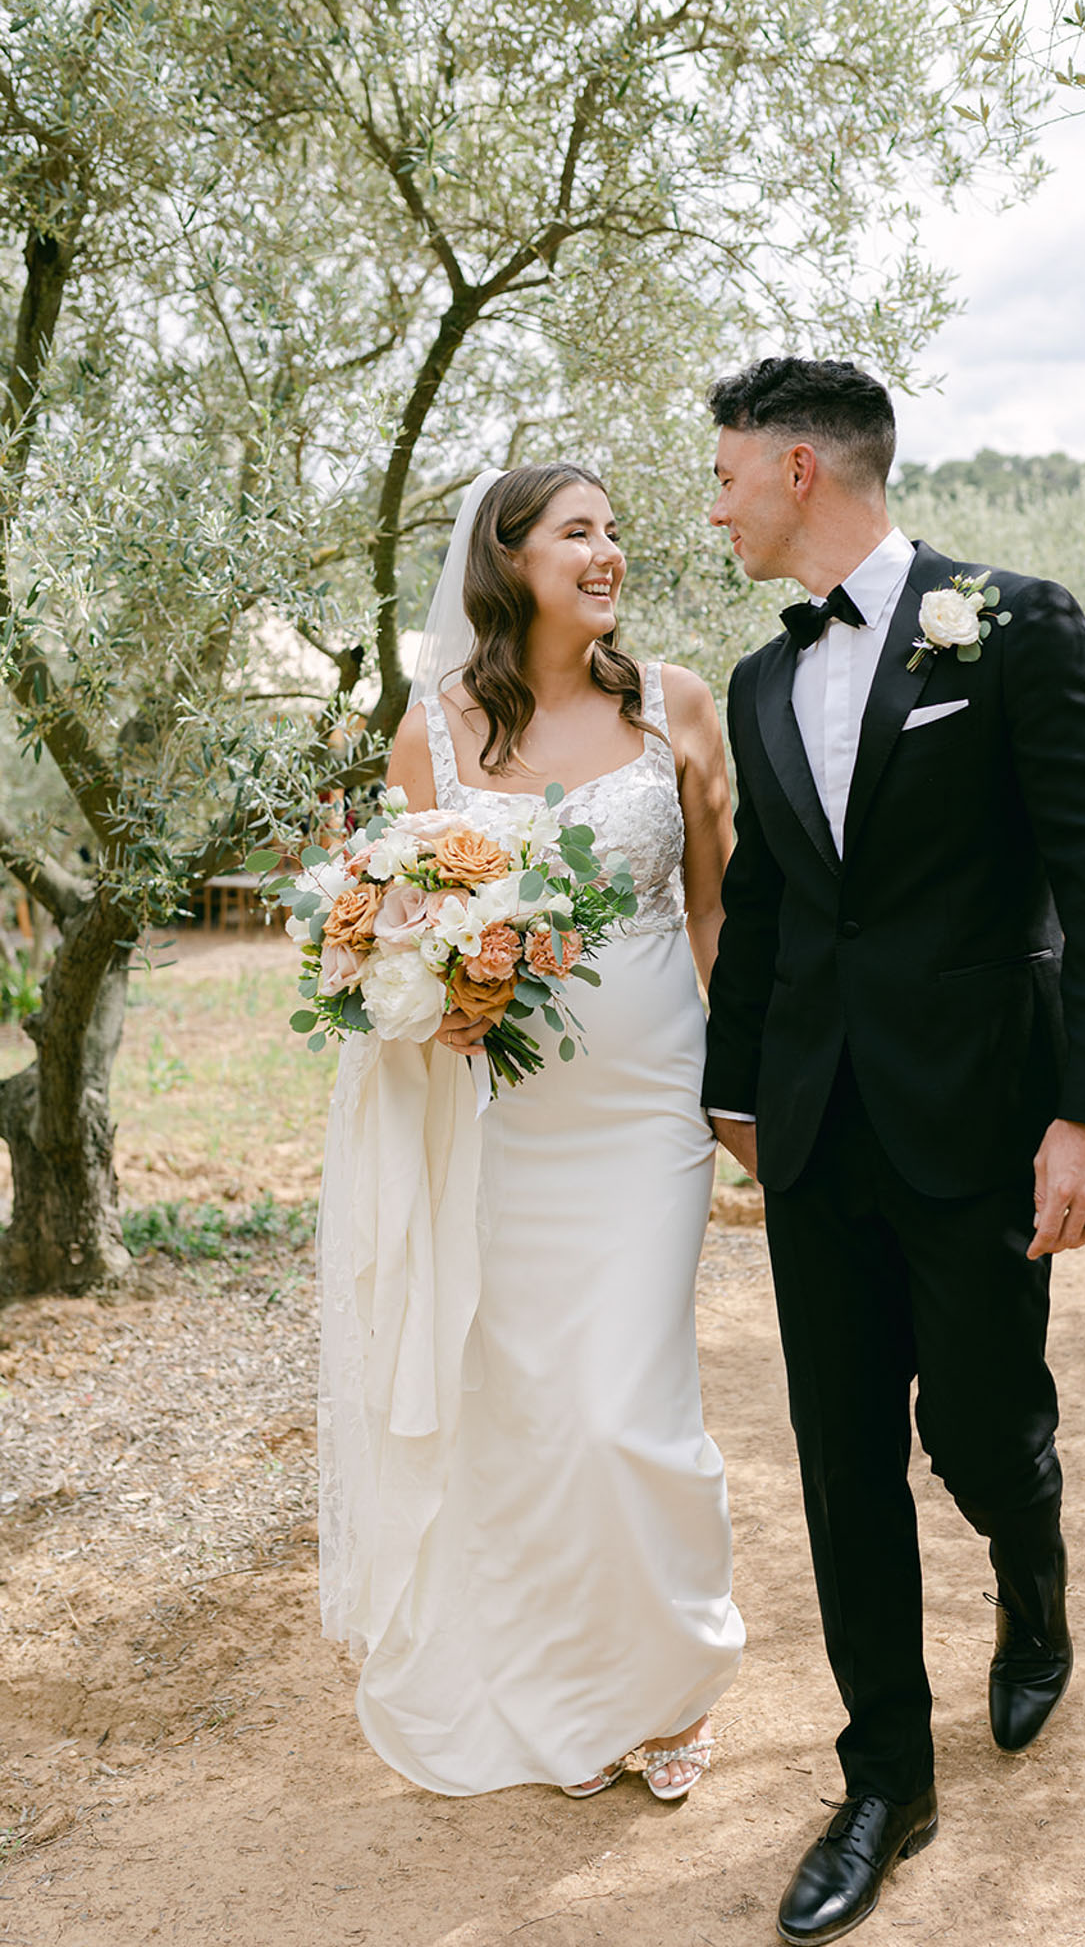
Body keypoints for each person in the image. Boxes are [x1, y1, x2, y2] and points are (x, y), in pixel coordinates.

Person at [700, 357, 1085, 1945]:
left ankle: (1032, 1591)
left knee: (972, 1428)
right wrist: (731, 1096)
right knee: (841, 1462)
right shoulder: (760, 684)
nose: (715, 505)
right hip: (815, 1133)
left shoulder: (1013, 624)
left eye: (728, 476)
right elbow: (766, 903)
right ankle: (885, 1774)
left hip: (975, 1114)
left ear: (805, 471)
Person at [315, 462, 745, 1802]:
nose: (607, 552)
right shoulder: (430, 737)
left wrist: (736, 1085)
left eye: (614, 530)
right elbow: (381, 927)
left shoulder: (674, 702)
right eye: (577, 532)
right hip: (499, 1125)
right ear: (505, 560)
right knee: (526, 1408)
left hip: (647, 1109)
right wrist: (421, 994)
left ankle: (669, 1686)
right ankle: (560, 1670)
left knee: (627, 1410)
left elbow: (717, 910)